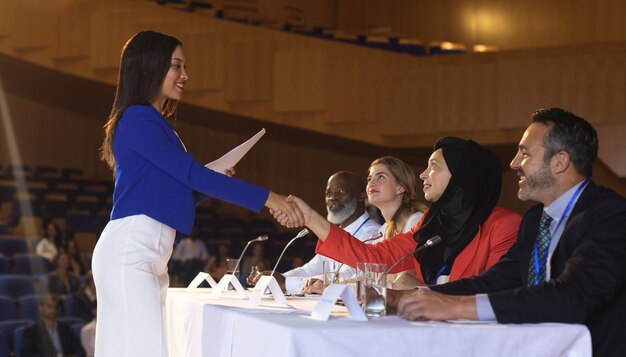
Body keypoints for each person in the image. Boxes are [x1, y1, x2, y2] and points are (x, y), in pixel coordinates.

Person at [91, 30, 303, 357]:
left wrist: (208, 180)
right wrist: (269, 198)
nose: (185, 75)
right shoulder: (137, 117)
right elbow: (191, 174)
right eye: (177, 66)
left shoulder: (154, 122)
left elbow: (179, 194)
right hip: (130, 251)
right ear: (151, 65)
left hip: (148, 250)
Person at [390, 108, 626, 357]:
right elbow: (495, 281)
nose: (513, 163)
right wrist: (418, 296)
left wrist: (455, 307)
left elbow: (572, 295)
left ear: (560, 162)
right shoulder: (535, 219)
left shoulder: (612, 216)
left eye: (524, 153)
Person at [278, 137, 521, 287]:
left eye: (433, 166)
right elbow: (371, 258)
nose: (423, 174)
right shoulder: (430, 223)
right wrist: (310, 217)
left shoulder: (504, 225)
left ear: (461, 176)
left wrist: (426, 291)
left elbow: (492, 290)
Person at [300, 157, 425, 293]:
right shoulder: (384, 229)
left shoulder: (415, 221)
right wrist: (329, 286)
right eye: (369, 179)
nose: (372, 183)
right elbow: (365, 276)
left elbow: (403, 281)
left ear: (400, 187)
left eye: (381, 177)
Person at [249, 171, 381, 294]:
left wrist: (285, 283)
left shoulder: (372, 233)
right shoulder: (334, 233)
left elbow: (348, 276)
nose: (333, 197)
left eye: (341, 191)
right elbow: (311, 268)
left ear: (361, 196)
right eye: (328, 193)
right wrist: (274, 278)